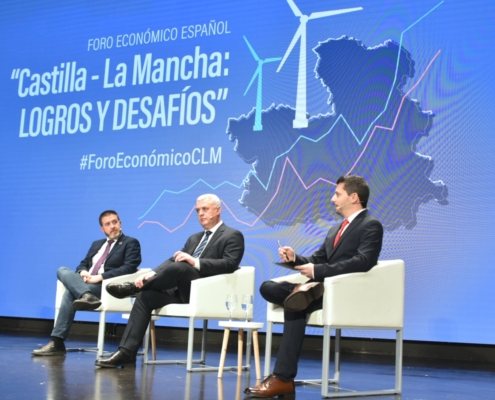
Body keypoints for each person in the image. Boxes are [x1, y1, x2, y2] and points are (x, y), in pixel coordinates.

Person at [244, 175, 384, 397]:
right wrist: (295, 259)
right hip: (317, 289)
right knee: (268, 287)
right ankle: (300, 297)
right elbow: (318, 258)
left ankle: (283, 378)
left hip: (341, 292)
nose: (332, 199)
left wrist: (319, 272)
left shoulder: (370, 225)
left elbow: (364, 261)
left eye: (337, 194)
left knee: (294, 303)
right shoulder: (335, 230)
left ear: (354, 197)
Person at [95, 194, 245, 368]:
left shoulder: (232, 235)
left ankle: (131, 289)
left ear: (218, 210)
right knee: (146, 295)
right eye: (198, 210)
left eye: (205, 209)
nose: (201, 214)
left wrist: (194, 261)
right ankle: (126, 353)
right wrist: (151, 273)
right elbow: (173, 259)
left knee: (182, 266)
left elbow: (229, 264)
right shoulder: (195, 238)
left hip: (205, 292)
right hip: (180, 289)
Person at [32, 210, 142, 356]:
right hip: (88, 282)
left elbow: (130, 267)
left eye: (115, 222)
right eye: (107, 224)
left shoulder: (130, 243)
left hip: (105, 287)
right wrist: (83, 272)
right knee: (62, 270)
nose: (112, 226)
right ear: (102, 229)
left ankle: (57, 343)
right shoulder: (96, 244)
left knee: (70, 293)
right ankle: (86, 295)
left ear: (120, 224)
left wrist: (100, 277)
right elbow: (83, 264)